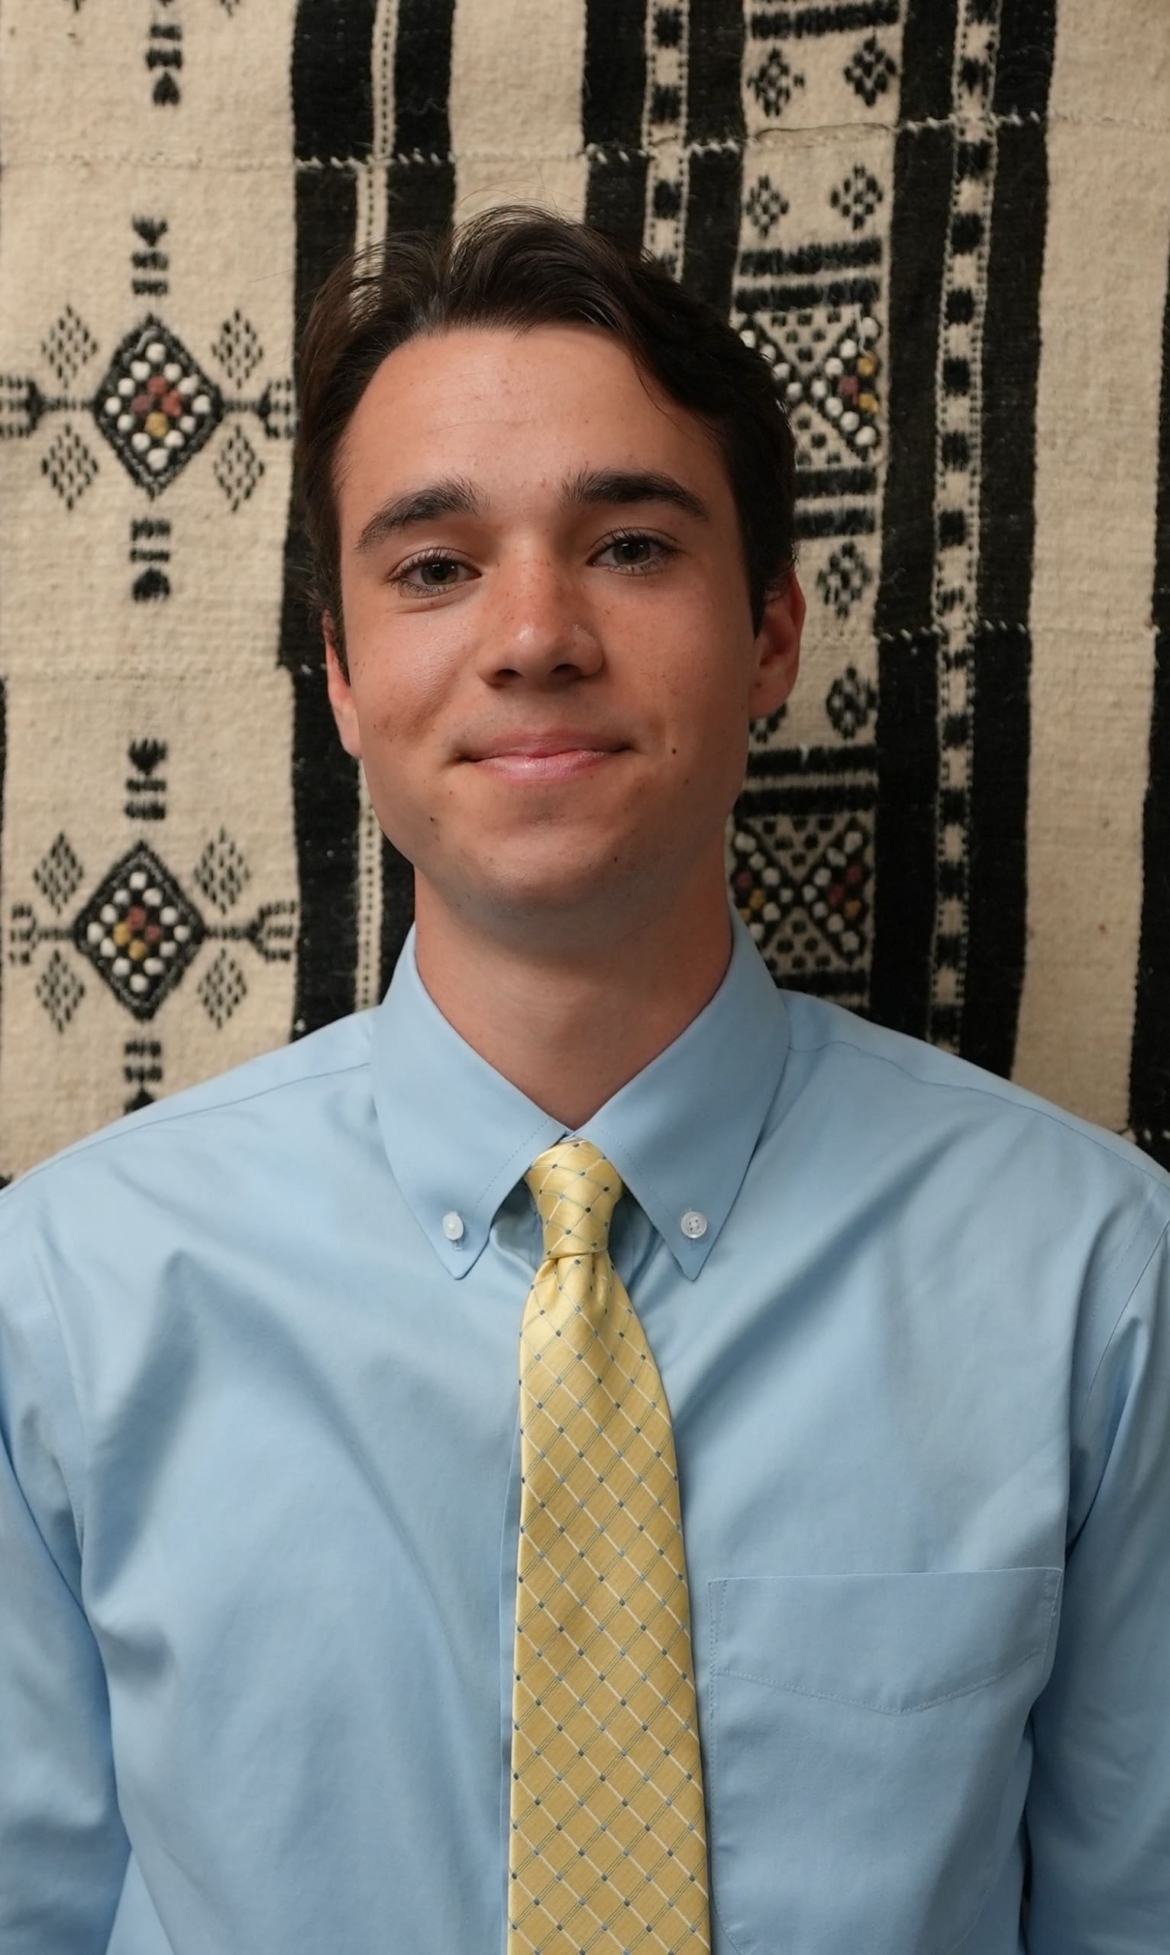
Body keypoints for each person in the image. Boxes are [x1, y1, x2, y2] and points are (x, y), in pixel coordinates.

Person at [1, 207, 1167, 1955]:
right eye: (432, 565)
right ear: (337, 673)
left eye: (627, 546)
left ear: (769, 635)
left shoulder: (1093, 1276)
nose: (533, 634)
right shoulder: (66, 1297)